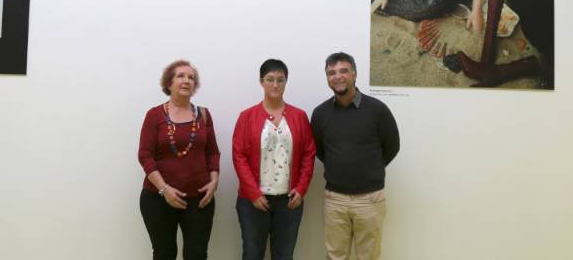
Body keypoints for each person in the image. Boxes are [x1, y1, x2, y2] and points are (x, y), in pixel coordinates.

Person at [310, 52, 400, 260]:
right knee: (335, 256)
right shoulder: (320, 113)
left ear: (354, 74)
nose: (337, 76)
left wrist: (369, 168)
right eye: (331, 72)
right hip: (335, 199)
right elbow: (320, 150)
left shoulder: (377, 110)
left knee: (368, 256)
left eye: (343, 70)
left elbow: (392, 146)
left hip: (370, 199)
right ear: (327, 78)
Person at [232, 59, 316, 260]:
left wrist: (301, 189)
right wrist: (253, 193)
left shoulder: (299, 116)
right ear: (261, 82)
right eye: (270, 79)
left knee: (284, 255)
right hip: (253, 201)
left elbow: (309, 153)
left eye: (280, 79)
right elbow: (239, 156)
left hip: (289, 201)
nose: (275, 85)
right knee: (252, 254)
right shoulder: (247, 116)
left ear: (286, 81)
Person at [138, 59, 220, 260]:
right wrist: (164, 189)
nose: (186, 80)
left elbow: (212, 153)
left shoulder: (203, 115)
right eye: (180, 76)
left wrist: (214, 182)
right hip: (158, 198)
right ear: (169, 83)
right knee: (164, 254)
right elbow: (145, 155)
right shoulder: (154, 115)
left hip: (199, 200)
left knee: (196, 254)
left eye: (191, 77)